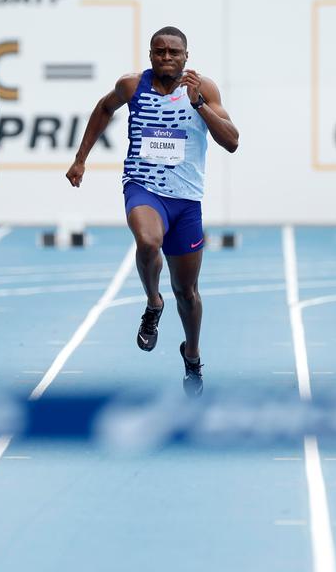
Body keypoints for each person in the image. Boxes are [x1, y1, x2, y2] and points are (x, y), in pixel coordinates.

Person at [66, 26, 239, 396]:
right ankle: (152, 301)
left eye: (173, 52)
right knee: (147, 240)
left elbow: (232, 141)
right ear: (150, 54)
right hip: (143, 187)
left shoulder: (203, 89)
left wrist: (199, 104)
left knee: (188, 292)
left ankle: (191, 354)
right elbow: (103, 108)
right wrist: (81, 159)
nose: (166, 58)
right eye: (159, 51)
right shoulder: (132, 86)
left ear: (186, 56)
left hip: (186, 201)